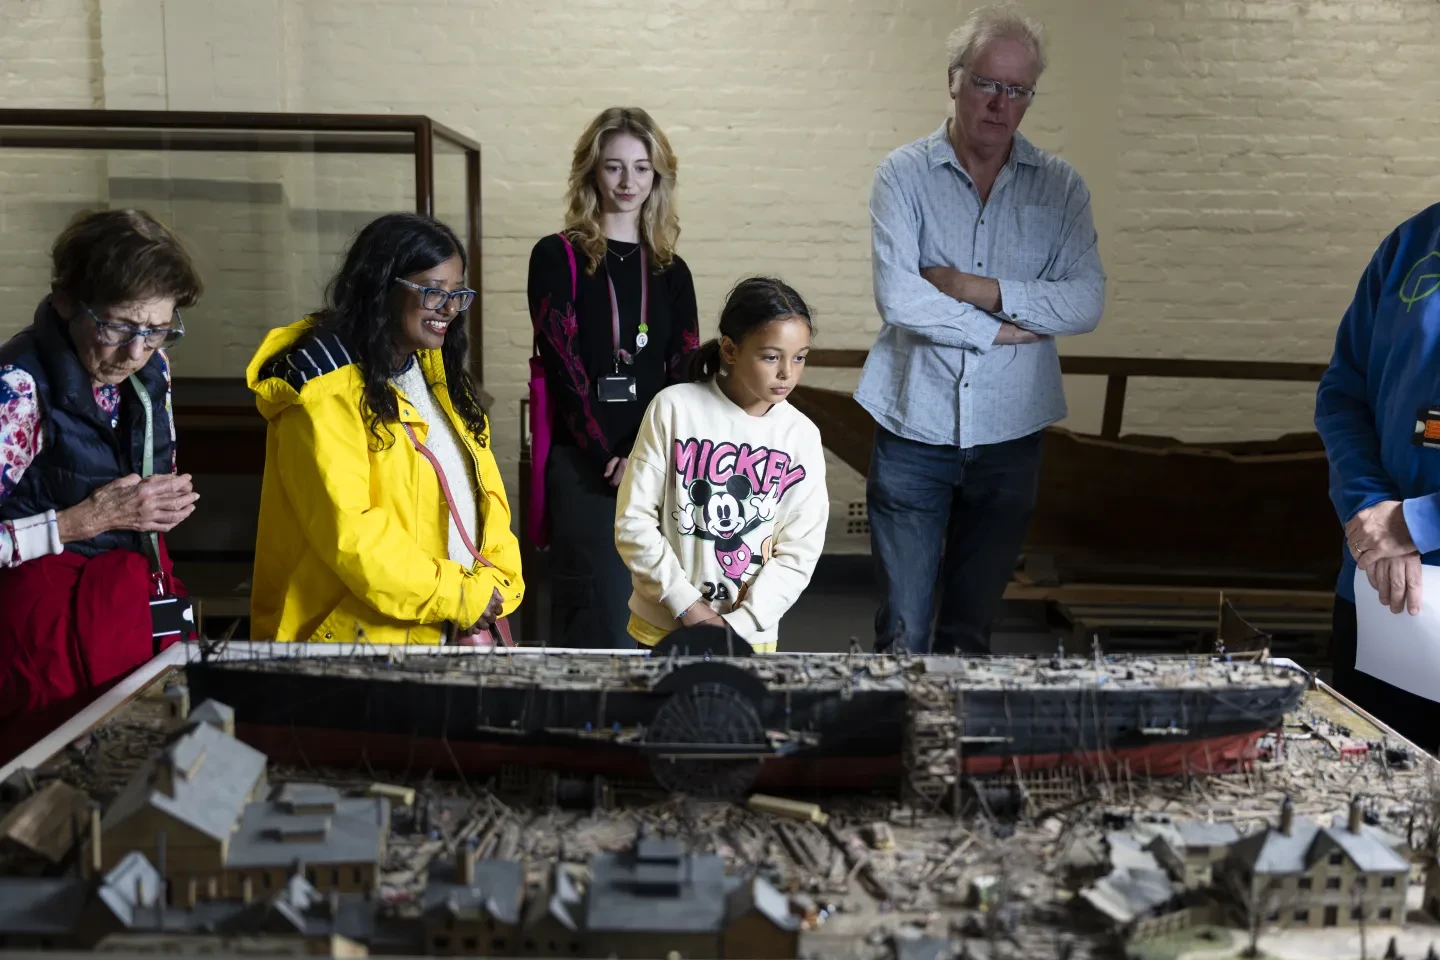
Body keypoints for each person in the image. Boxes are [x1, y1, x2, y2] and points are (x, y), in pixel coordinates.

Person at [858, 4, 1105, 655]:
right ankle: (894, 751)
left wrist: (979, 291)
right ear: (954, 79)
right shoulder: (902, 175)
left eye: (1017, 90)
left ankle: (952, 754)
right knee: (903, 629)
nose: (1000, 104)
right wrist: (1000, 330)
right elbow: (900, 298)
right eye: (987, 84)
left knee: (971, 633)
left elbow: (1084, 303)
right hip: (913, 426)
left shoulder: (1062, 190)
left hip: (1010, 435)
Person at [247, 213, 522, 645]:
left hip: (446, 625)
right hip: (357, 645)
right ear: (382, 287)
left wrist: (499, 583)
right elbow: (352, 535)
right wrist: (459, 594)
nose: (449, 309)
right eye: (433, 292)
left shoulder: (436, 374)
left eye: (457, 294)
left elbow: (483, 494)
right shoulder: (322, 391)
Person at [0, 209, 201, 756]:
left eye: (158, 328)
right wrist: (81, 521)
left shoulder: (149, 370)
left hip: (136, 600)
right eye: (118, 326)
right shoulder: (17, 391)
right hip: (44, 641)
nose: (135, 352)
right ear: (66, 301)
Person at [528, 106, 700, 649]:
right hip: (587, 463)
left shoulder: (671, 269)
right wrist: (608, 454)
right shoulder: (557, 256)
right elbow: (563, 366)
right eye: (614, 167)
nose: (629, 182)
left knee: (660, 608)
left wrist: (646, 456)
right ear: (591, 173)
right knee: (600, 612)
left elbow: (685, 374)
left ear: (658, 177)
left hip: (655, 461)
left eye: (642, 168)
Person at [615, 277, 828, 653]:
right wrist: (687, 606)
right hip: (662, 627)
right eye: (771, 356)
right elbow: (634, 522)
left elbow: (799, 551)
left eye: (800, 357)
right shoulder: (674, 408)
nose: (787, 374)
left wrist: (735, 627)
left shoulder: (802, 436)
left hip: (748, 639)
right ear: (730, 350)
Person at [1316, 202, 1440, 752]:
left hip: (1404, 554)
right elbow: (1344, 396)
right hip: (1382, 600)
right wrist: (1374, 515)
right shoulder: (1412, 243)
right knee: (1373, 810)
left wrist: (1420, 523)